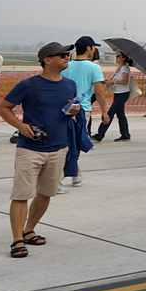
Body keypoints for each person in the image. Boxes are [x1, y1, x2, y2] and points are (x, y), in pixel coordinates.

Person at [0, 42, 81, 257]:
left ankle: (29, 230)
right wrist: (20, 126)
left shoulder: (70, 84)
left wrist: (74, 110)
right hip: (31, 149)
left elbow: (67, 112)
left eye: (68, 54)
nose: (67, 57)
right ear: (47, 60)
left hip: (59, 148)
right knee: (21, 194)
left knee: (46, 193)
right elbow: (3, 108)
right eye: (62, 54)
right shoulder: (28, 85)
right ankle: (17, 240)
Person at [61, 37, 107, 190]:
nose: (94, 50)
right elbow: (99, 92)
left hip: (65, 107)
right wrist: (104, 111)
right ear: (88, 48)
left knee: (68, 142)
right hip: (82, 109)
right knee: (75, 143)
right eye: (93, 47)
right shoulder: (94, 67)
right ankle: (58, 178)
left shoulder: (66, 65)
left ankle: (76, 175)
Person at [93, 52, 134, 142]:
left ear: (123, 58)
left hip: (123, 94)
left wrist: (112, 82)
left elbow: (125, 81)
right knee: (120, 115)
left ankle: (100, 134)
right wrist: (109, 81)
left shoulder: (125, 68)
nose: (116, 57)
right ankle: (125, 134)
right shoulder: (118, 68)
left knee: (110, 113)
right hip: (117, 93)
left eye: (118, 56)